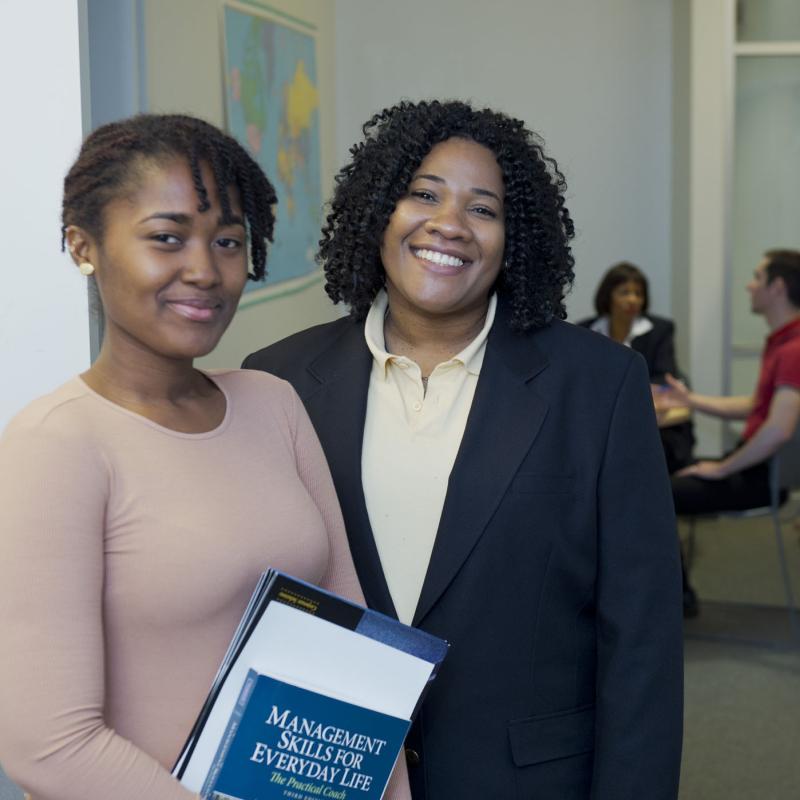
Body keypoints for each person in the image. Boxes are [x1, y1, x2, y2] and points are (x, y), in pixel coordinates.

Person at [243, 100, 683, 799]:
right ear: (377, 211)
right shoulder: (276, 380)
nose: (448, 224)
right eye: (422, 194)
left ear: (516, 238)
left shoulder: (597, 384)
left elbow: (642, 637)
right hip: (331, 776)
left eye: (485, 209)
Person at [0, 114, 410, 800]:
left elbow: (354, 652)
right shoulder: (55, 447)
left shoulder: (271, 402)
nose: (205, 270)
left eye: (227, 242)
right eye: (166, 238)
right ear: (83, 247)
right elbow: (49, 746)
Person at [659, 249, 800, 614]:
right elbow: (756, 405)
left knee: (653, 495)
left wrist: (721, 469)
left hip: (760, 478)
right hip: (754, 467)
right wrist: (691, 401)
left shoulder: (794, 349)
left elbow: (779, 430)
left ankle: (672, 600)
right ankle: (677, 594)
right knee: (658, 484)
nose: (749, 285)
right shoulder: (785, 341)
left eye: (757, 276)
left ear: (778, 287)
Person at [577, 262, 694, 473]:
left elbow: (663, 378)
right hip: (600, 424)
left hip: (655, 424)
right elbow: (579, 381)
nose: (632, 299)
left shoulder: (659, 330)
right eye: (624, 292)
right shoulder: (586, 331)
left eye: (638, 293)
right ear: (608, 295)